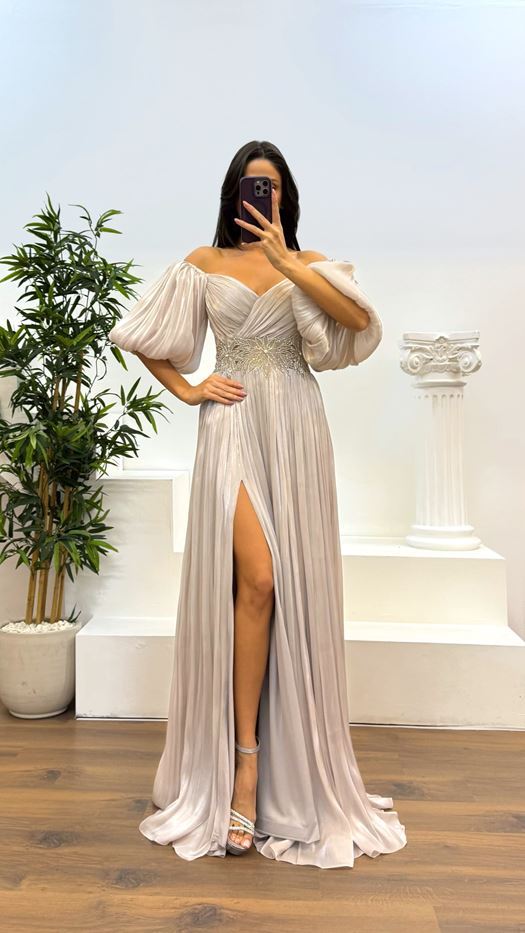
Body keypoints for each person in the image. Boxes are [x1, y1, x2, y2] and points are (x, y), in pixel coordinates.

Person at [108, 140, 407, 869]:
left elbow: (357, 325)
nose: (259, 195)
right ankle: (243, 762)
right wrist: (188, 388)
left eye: (270, 185)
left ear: (286, 198)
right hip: (234, 423)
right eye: (250, 184)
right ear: (232, 192)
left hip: (296, 429)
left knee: (286, 590)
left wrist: (286, 263)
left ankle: (283, 771)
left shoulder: (309, 264)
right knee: (259, 579)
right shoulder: (202, 262)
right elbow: (140, 334)